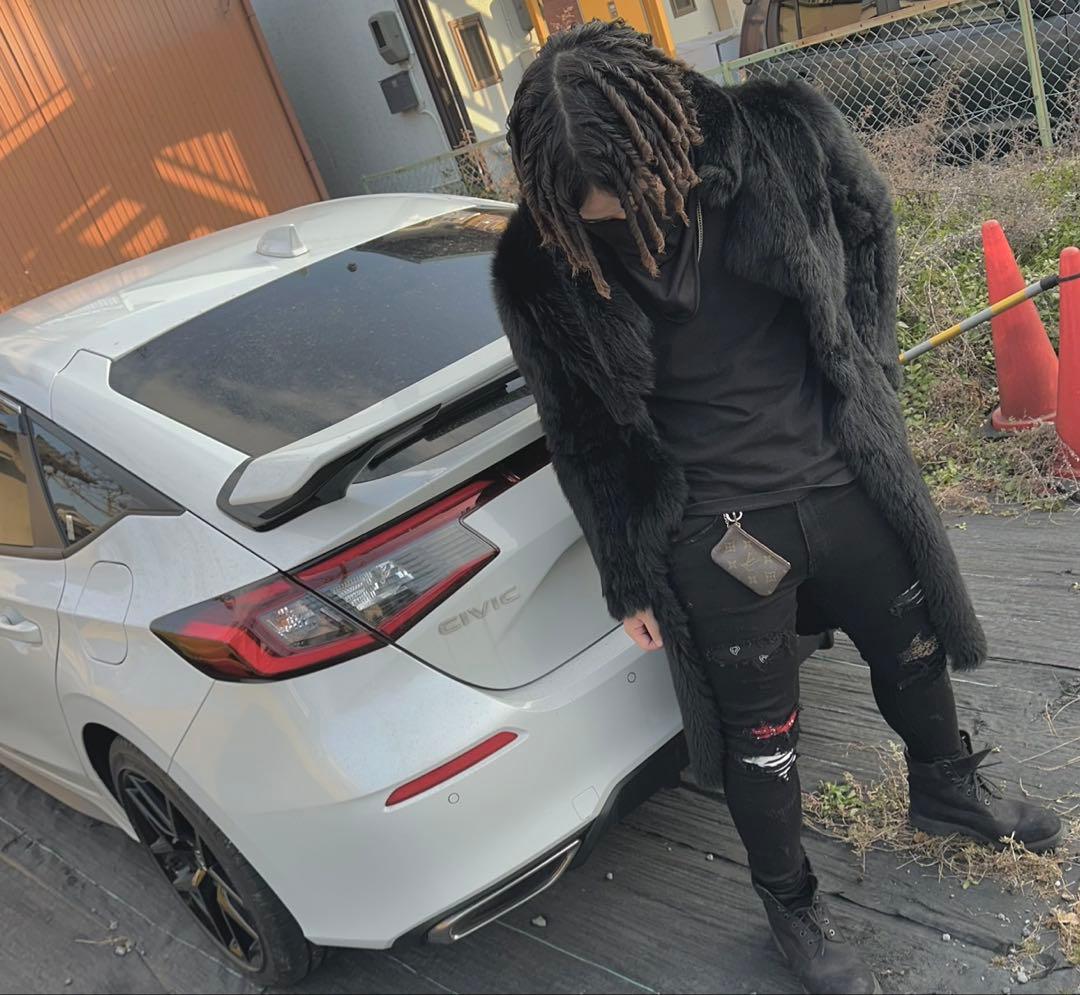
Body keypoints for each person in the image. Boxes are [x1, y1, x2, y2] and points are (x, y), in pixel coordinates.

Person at [492, 21, 1061, 995]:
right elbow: (575, 426)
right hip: (712, 527)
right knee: (761, 735)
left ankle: (946, 790)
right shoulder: (538, 262)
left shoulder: (782, 135)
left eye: (641, 192)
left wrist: (870, 373)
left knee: (914, 648)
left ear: (672, 129)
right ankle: (789, 905)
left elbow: (869, 221)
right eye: (599, 216)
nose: (627, 223)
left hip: (842, 475)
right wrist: (627, 572)